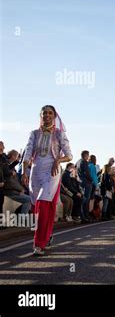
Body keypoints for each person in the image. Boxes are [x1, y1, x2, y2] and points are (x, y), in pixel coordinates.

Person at [22, 105, 72, 256]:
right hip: (36, 172)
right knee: (37, 207)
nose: (47, 115)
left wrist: (58, 159)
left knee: (43, 205)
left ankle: (38, 244)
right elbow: (28, 152)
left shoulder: (59, 134)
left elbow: (69, 155)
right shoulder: (34, 133)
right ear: (41, 116)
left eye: (50, 113)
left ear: (54, 116)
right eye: (44, 113)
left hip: (52, 171)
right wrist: (25, 172)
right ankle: (47, 234)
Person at [2, 150, 31, 214]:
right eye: (17, 157)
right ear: (13, 156)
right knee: (29, 200)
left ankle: (22, 218)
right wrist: (20, 189)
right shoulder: (7, 166)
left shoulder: (10, 167)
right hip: (10, 191)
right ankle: (22, 219)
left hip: (13, 190)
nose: (18, 159)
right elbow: (10, 182)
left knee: (29, 199)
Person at [77, 150, 93, 223]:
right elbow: (87, 172)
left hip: (80, 182)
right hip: (86, 182)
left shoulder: (78, 162)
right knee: (86, 200)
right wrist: (91, 179)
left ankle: (83, 216)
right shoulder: (84, 162)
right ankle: (85, 217)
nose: (88, 157)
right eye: (88, 155)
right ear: (85, 155)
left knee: (83, 199)